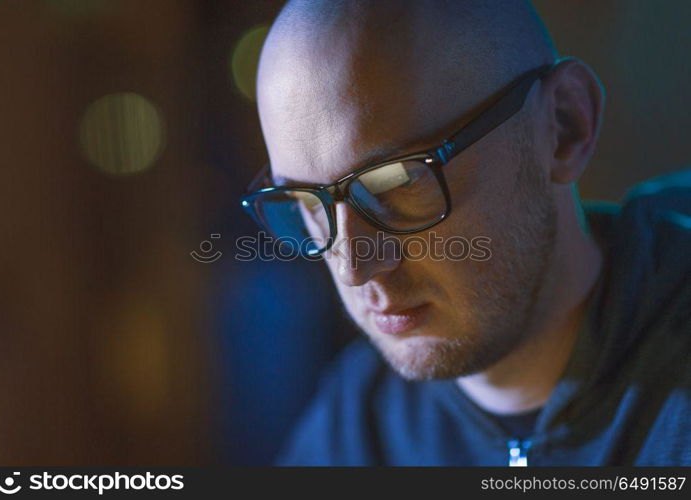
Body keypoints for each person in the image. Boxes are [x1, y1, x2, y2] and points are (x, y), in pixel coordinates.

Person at [240, 0, 691, 465]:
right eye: (308, 204)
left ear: (563, 126)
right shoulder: (356, 425)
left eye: (398, 181)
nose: (355, 268)